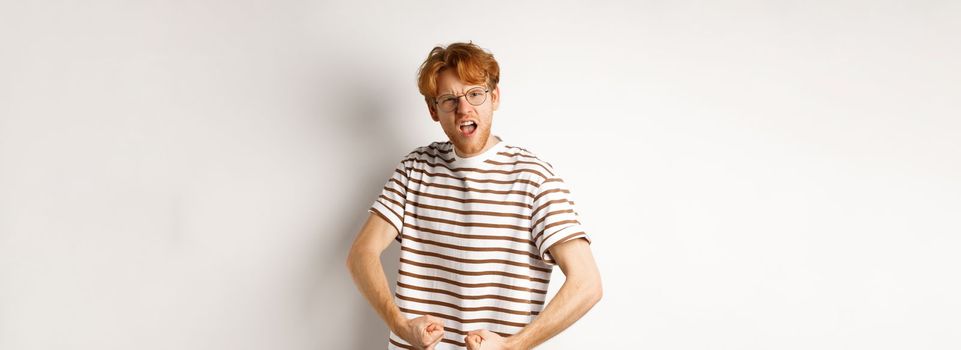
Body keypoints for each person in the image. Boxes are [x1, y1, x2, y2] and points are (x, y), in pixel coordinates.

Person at [346, 41, 602, 350]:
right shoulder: (415, 168)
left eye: (475, 94)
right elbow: (361, 254)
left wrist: (513, 345)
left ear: (494, 97)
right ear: (433, 110)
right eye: (449, 99)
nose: (464, 108)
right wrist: (400, 326)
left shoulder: (534, 178)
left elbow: (587, 284)